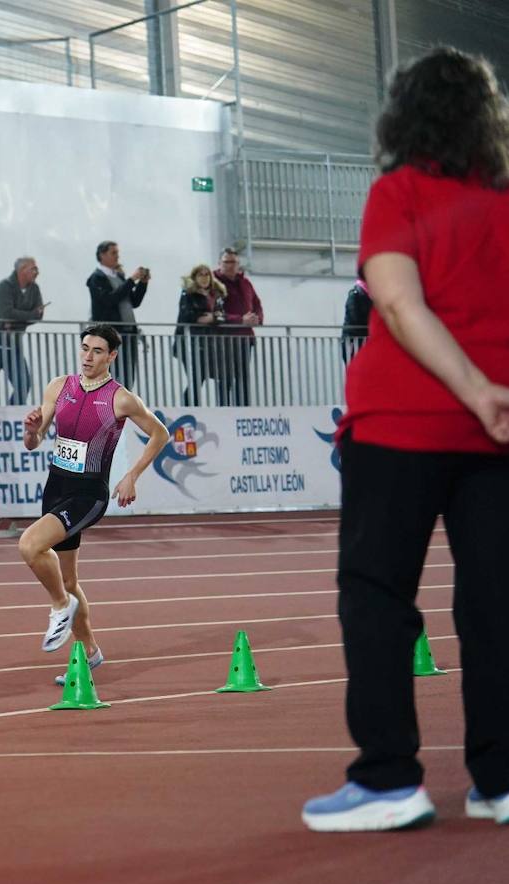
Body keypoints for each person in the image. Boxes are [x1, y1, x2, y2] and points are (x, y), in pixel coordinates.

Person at [302, 47, 509, 832]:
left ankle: (389, 777)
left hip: (400, 424)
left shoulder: (399, 191)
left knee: (379, 595)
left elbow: (397, 302)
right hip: (496, 432)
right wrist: (492, 394)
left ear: (403, 115)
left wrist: (470, 387)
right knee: (497, 604)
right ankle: (501, 778)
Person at [19, 323, 168, 684]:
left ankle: (59, 608)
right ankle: (89, 652)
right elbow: (33, 442)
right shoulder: (60, 386)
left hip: (89, 494)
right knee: (68, 578)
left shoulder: (121, 398)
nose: (87, 356)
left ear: (112, 356)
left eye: (97, 351)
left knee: (29, 545)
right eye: (84, 348)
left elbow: (160, 433)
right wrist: (31, 429)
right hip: (56, 486)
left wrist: (132, 475)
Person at [0, 257, 44, 405]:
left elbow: (38, 315)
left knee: (23, 384)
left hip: (13, 344)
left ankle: (10, 415)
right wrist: (28, 315)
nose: (37, 272)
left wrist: (15, 321)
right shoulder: (5, 286)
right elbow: (7, 313)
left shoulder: (34, 289)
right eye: (33, 269)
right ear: (22, 270)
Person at [87, 241, 149, 392]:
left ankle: (121, 408)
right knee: (112, 375)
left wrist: (142, 284)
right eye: (113, 253)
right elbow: (110, 300)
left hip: (128, 334)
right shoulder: (96, 278)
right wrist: (131, 280)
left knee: (128, 376)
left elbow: (133, 301)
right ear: (102, 255)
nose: (117, 256)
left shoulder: (119, 277)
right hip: (111, 336)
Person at [212, 248, 263, 406]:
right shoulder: (214, 283)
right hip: (223, 339)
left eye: (233, 262)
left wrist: (257, 319)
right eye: (227, 262)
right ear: (219, 263)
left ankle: (245, 410)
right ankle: (223, 410)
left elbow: (256, 304)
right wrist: (240, 320)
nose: (230, 265)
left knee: (243, 378)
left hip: (245, 339)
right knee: (225, 378)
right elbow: (215, 312)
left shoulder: (245, 283)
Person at [173, 264, 226, 406]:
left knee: (218, 377)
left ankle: (219, 408)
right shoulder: (188, 294)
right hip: (189, 343)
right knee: (197, 378)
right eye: (200, 275)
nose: (204, 278)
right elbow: (186, 315)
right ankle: (188, 408)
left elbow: (221, 316)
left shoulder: (216, 294)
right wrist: (204, 318)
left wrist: (212, 318)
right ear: (194, 278)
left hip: (209, 343)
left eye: (207, 274)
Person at [341, 278, 373, 364]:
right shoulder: (355, 295)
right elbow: (354, 319)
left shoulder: (369, 297)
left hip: (362, 342)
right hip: (353, 342)